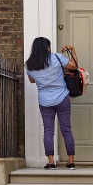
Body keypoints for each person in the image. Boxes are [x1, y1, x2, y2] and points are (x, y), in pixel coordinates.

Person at [26, 37, 79, 170]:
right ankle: (71, 161)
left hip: (44, 100)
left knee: (48, 130)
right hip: (62, 97)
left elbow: (32, 80)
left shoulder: (29, 64)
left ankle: (51, 162)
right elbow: (74, 66)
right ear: (47, 47)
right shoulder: (56, 57)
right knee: (66, 129)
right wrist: (72, 49)